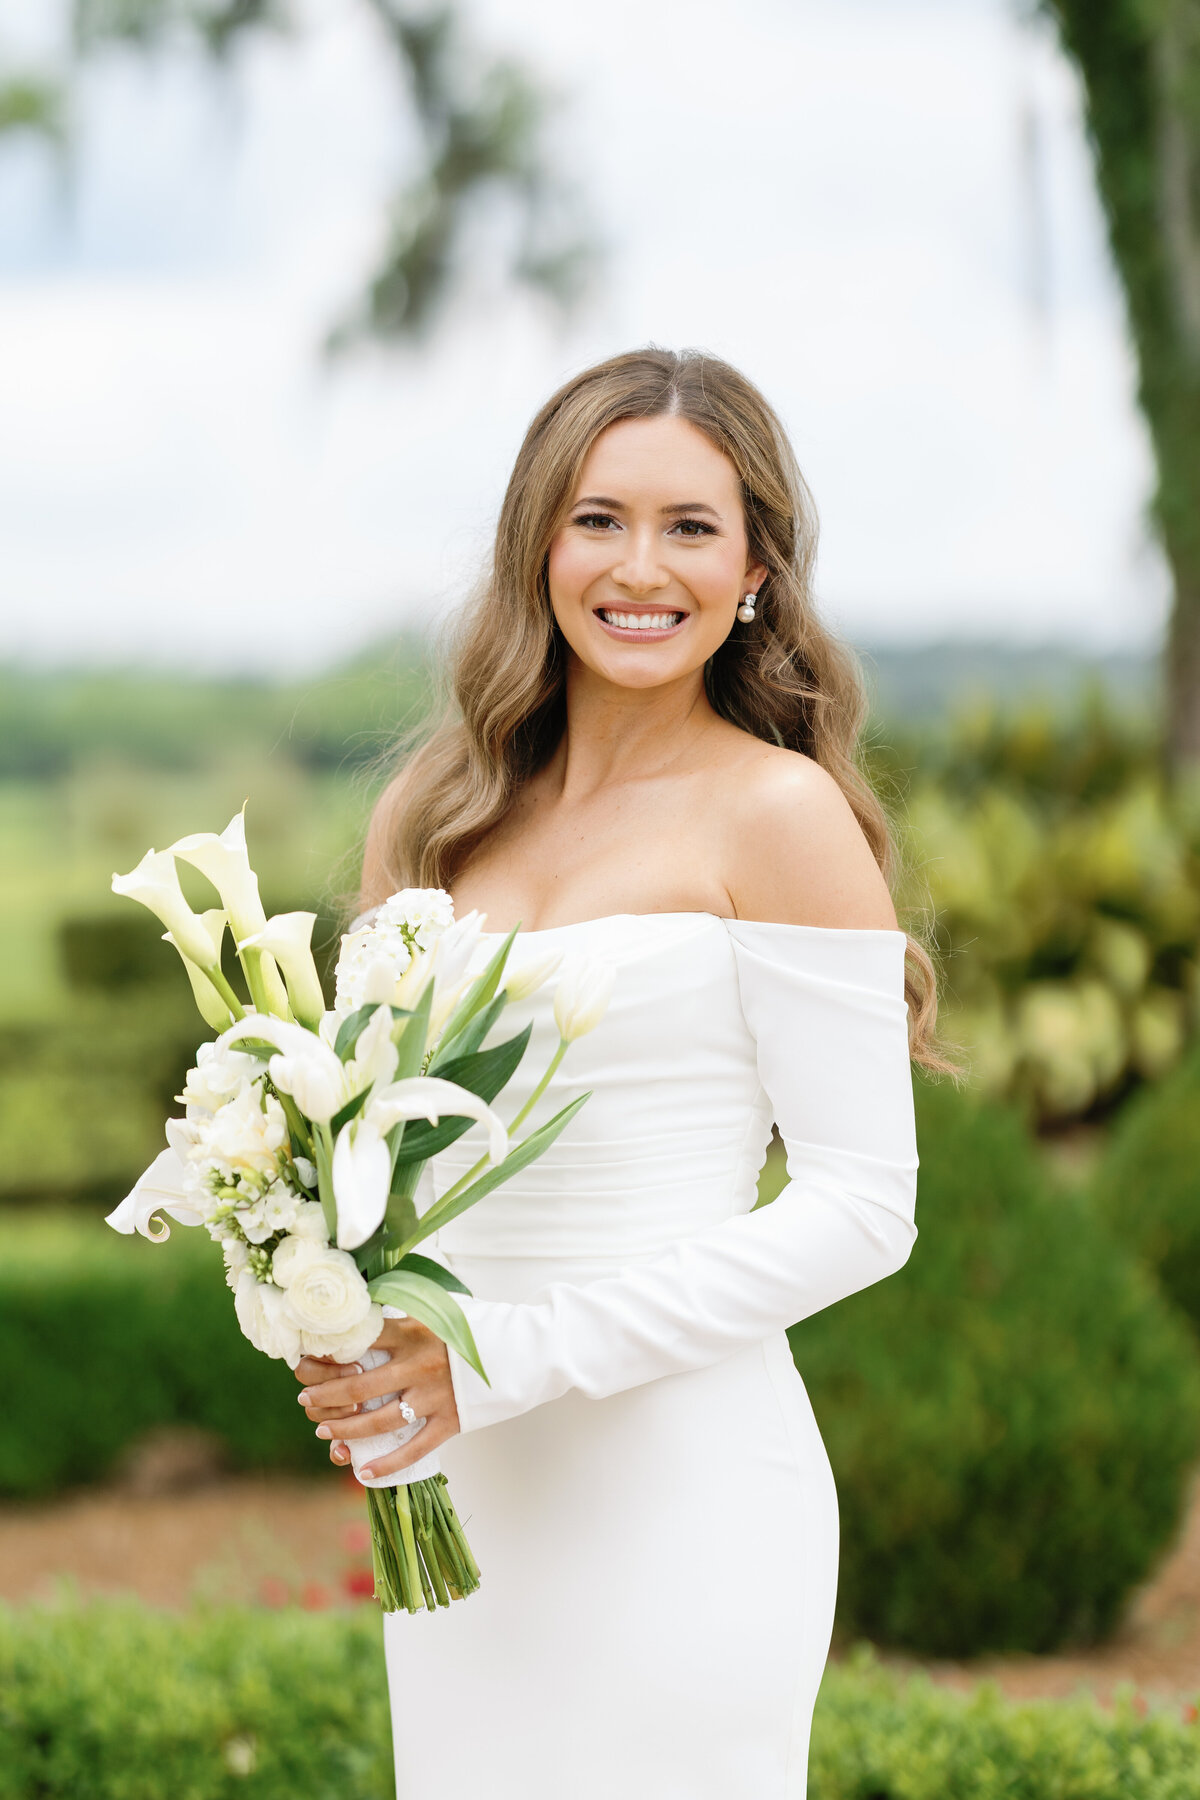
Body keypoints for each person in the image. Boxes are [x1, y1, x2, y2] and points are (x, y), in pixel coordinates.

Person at [294, 347, 950, 1797]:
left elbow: (862, 1205)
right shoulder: (438, 815)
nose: (638, 566)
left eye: (691, 527)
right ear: (539, 545)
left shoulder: (779, 816)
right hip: (460, 1496)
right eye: (598, 518)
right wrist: (315, 1284)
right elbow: (368, 1146)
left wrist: (500, 1357)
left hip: (683, 1495)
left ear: (758, 569)